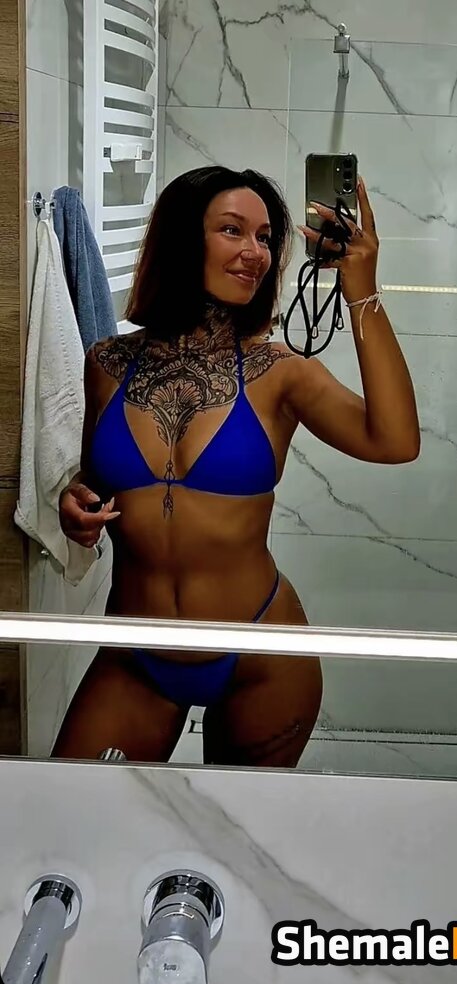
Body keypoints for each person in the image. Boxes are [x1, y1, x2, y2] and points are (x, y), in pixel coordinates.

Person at [54, 165, 420, 766]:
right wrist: (76, 501)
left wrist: (362, 289)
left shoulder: (282, 371)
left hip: (260, 656)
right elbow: (98, 479)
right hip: (134, 654)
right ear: (182, 240)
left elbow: (396, 440)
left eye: (266, 237)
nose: (257, 252)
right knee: (67, 811)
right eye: (233, 230)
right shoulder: (107, 363)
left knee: (236, 828)